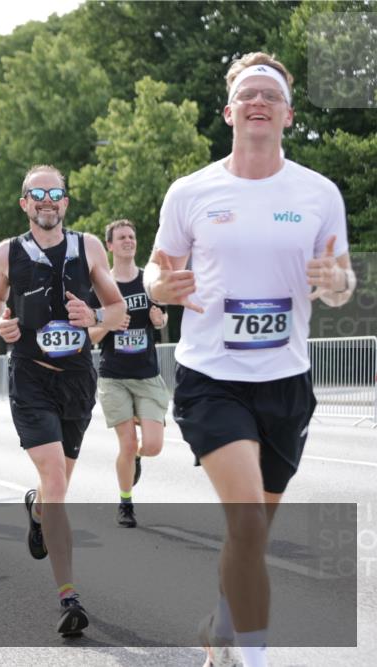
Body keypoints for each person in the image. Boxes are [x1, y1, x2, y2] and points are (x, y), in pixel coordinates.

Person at [145, 52, 355, 667]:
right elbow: (160, 270)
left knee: (253, 535)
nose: (259, 101)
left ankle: (222, 627)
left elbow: (339, 279)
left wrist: (335, 281)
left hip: (286, 383)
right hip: (213, 379)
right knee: (244, 525)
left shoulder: (318, 192)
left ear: (288, 115)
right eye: (248, 93)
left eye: (271, 94)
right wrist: (162, 288)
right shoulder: (192, 191)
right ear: (229, 111)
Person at [0, 164, 127, 638]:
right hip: (30, 378)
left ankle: (37, 509)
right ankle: (69, 596)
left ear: (65, 202)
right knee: (55, 480)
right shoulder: (5, 252)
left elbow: (119, 312)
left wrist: (94, 315)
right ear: (24, 203)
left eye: (55, 193)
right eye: (36, 193)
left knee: (56, 482)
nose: (47, 200)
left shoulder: (89, 247)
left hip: (77, 380)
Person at [87, 220, 170, 528]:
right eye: (121, 237)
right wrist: (108, 324)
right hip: (114, 376)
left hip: (147, 374)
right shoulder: (101, 287)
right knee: (125, 443)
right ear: (109, 245)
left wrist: (158, 319)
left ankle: (136, 458)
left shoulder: (149, 282)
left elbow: (160, 320)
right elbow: (89, 336)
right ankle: (126, 503)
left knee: (152, 446)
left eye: (132, 236)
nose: (128, 241)